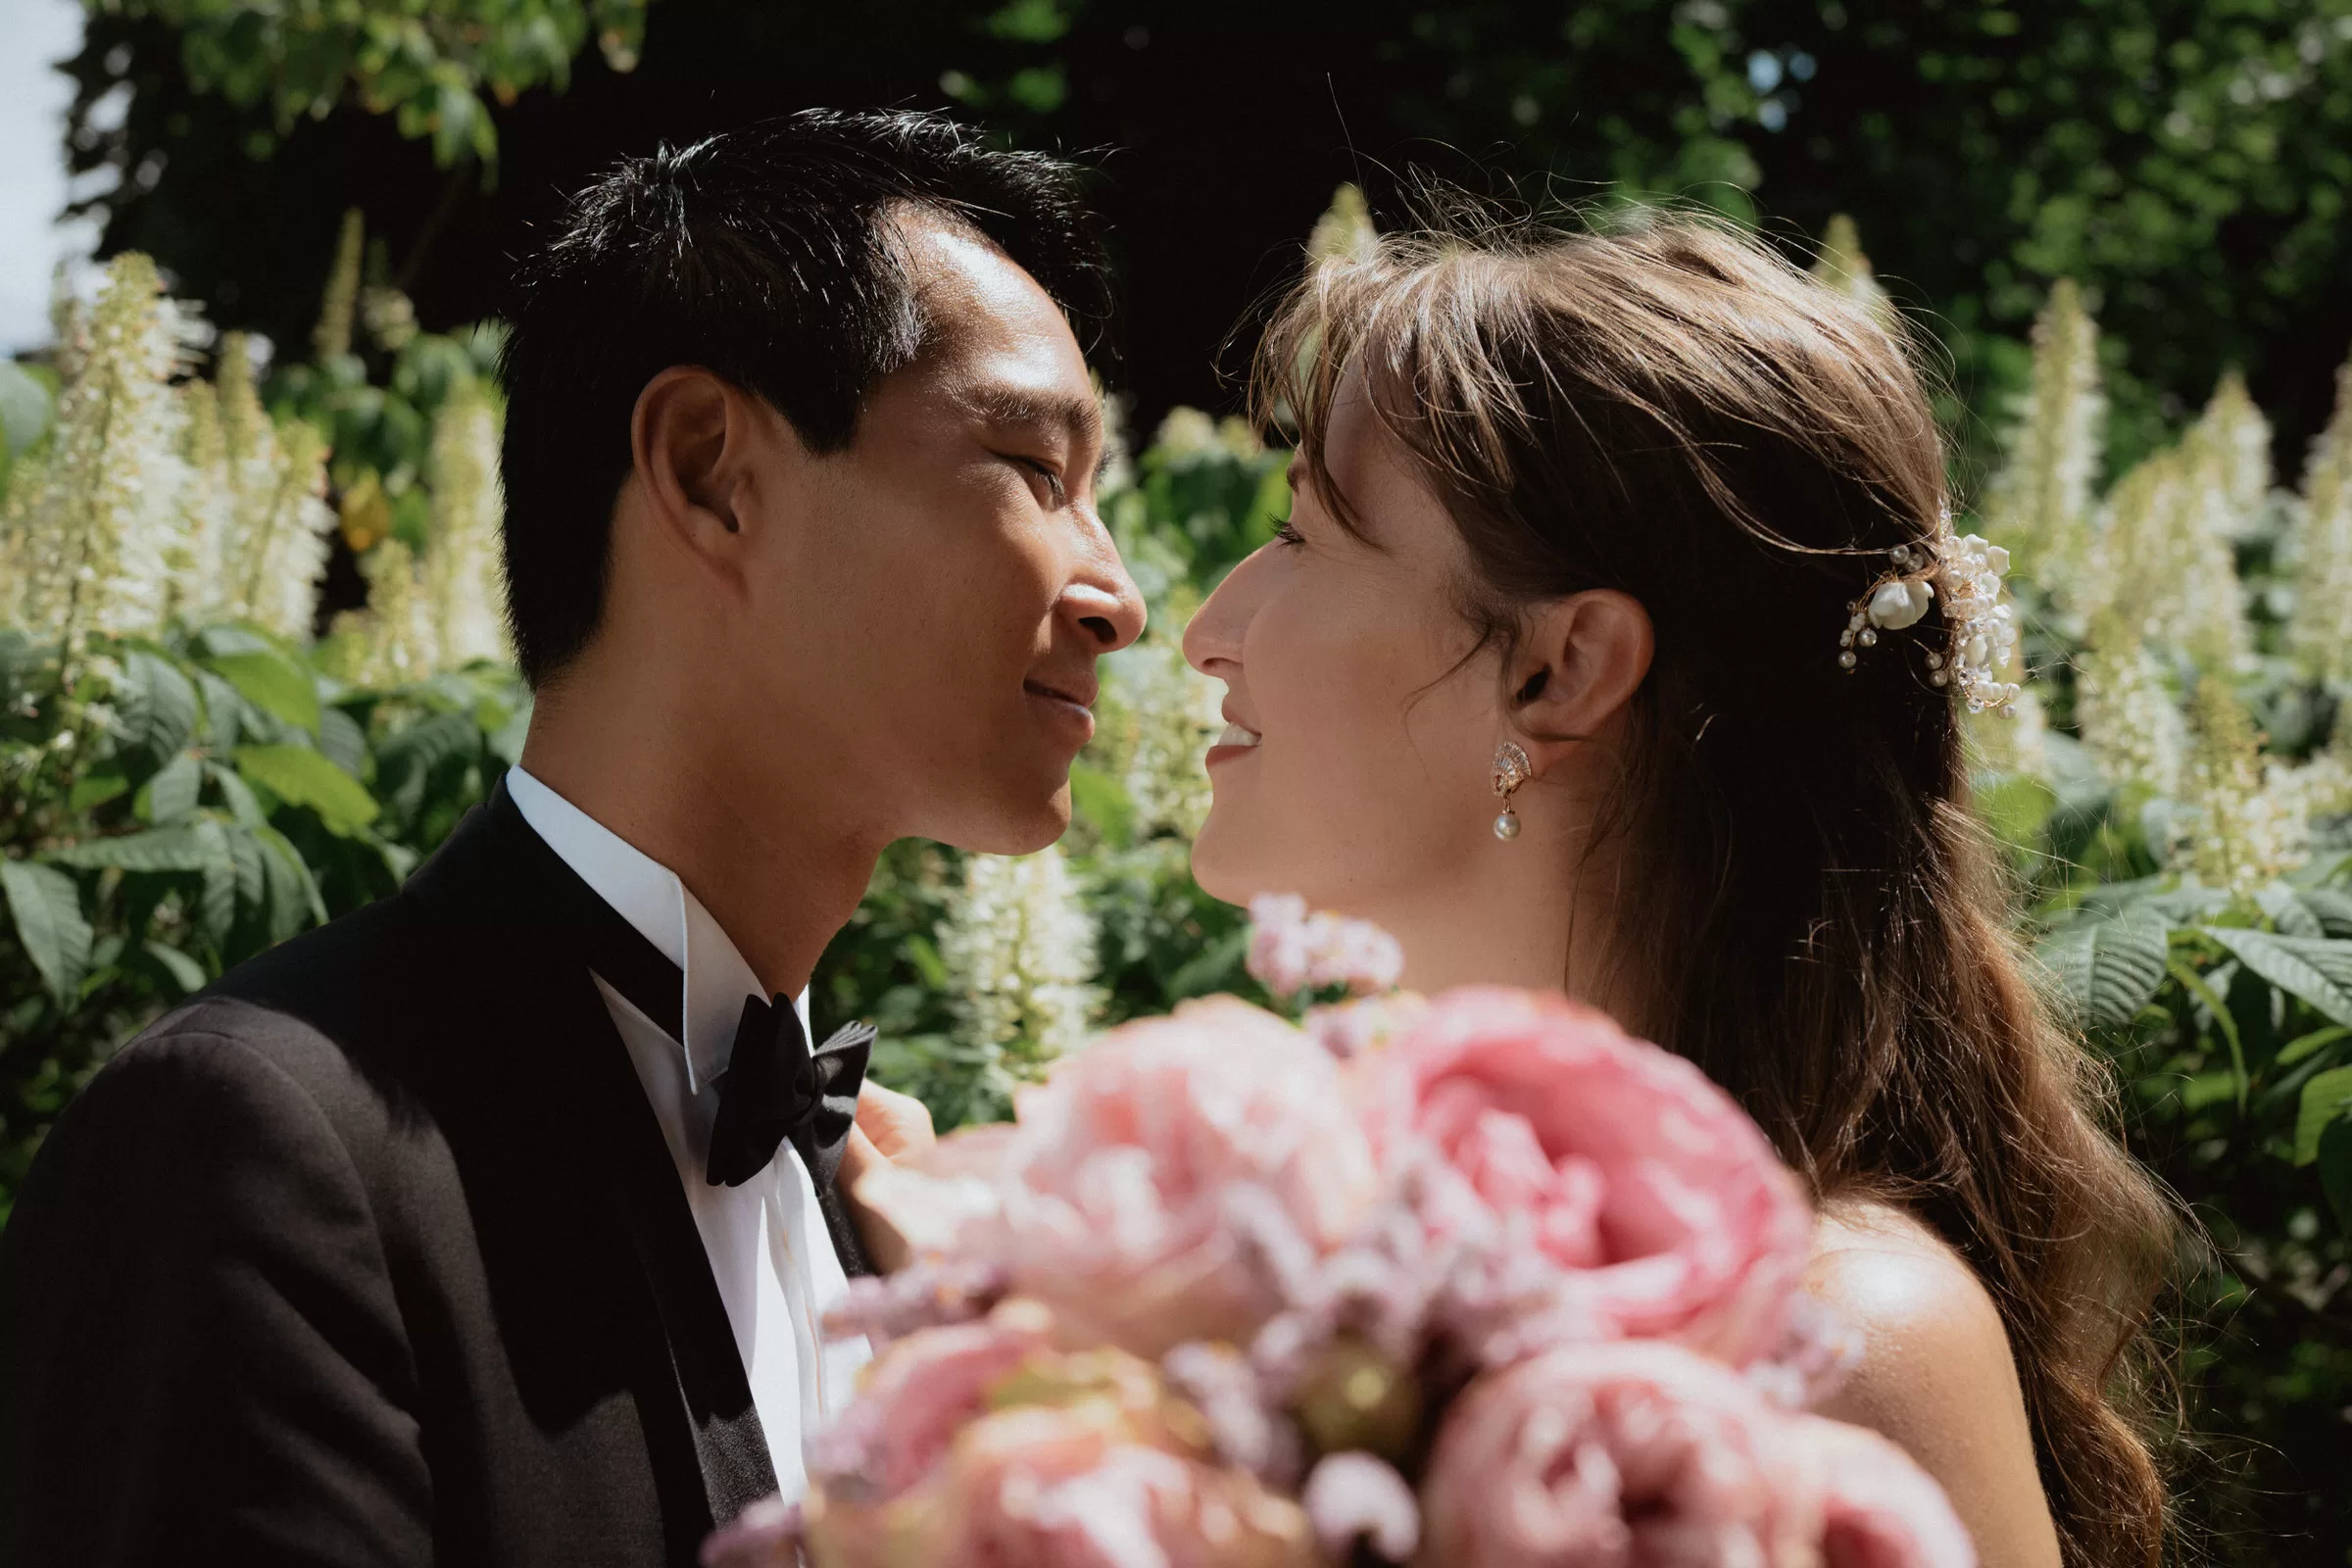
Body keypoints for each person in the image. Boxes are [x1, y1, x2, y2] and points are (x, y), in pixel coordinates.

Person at [0, 109, 1143, 1566]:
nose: (1120, 597)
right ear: (712, 469)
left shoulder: (888, 1211)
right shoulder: (262, 1149)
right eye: (1036, 470)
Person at [1183, 211, 2178, 1568]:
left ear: (1558, 669)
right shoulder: (1320, 1250)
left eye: (1301, 536)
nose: (1208, 631)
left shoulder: (1832, 1352)